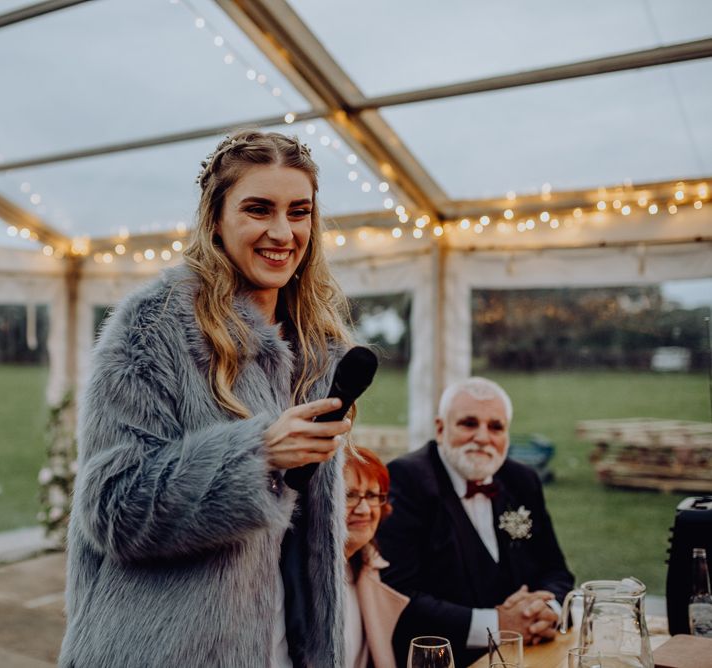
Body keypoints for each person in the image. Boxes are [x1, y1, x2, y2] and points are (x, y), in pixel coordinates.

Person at [58, 130, 355, 667]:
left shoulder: (317, 348)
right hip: (161, 650)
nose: (282, 232)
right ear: (215, 219)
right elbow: (112, 509)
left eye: (300, 211)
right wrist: (256, 453)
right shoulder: (155, 327)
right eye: (259, 209)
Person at [377, 377, 574, 667]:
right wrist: (497, 624)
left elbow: (556, 570)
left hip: (529, 654)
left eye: (496, 426)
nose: (483, 437)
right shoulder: (407, 480)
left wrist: (547, 610)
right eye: (469, 424)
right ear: (441, 428)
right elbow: (398, 595)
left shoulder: (523, 480)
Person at [343, 446, 409, 668]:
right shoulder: (295, 576)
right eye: (349, 495)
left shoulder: (368, 566)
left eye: (371, 495)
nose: (364, 510)